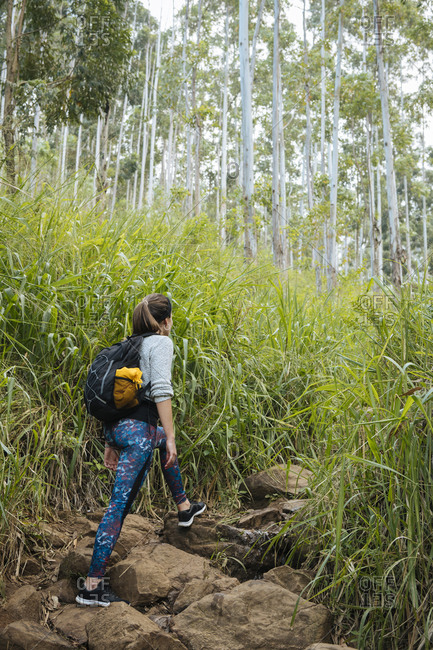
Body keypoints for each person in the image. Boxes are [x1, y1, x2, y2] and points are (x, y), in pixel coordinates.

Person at [76, 293, 206, 607]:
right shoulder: (160, 343)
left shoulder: (129, 347)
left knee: (159, 438)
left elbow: (117, 398)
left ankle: (184, 508)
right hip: (138, 436)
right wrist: (172, 437)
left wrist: (110, 442)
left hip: (121, 430)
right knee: (118, 507)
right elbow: (160, 390)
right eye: (170, 318)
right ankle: (92, 585)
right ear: (166, 321)